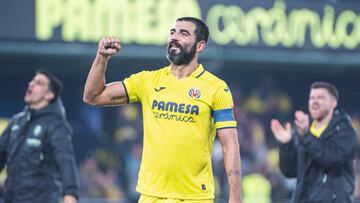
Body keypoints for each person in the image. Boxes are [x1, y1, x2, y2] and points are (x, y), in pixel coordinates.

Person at [83, 17, 242, 203]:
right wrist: (102, 57)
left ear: (200, 46)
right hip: (151, 195)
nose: (174, 37)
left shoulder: (216, 88)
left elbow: (229, 145)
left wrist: (236, 196)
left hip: (195, 197)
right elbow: (93, 96)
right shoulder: (147, 81)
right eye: (172, 32)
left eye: (183, 33)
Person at [0, 70, 79, 203]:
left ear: (49, 94)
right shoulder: (16, 122)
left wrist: (70, 194)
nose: (31, 84)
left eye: (39, 83)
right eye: (32, 81)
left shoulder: (56, 125)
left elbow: (66, 161)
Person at [270, 81, 357, 203]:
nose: (314, 101)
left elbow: (331, 159)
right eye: (312, 98)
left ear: (333, 103)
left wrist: (306, 135)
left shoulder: (344, 131)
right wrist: (286, 145)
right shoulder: (304, 129)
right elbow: (290, 171)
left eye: (320, 97)